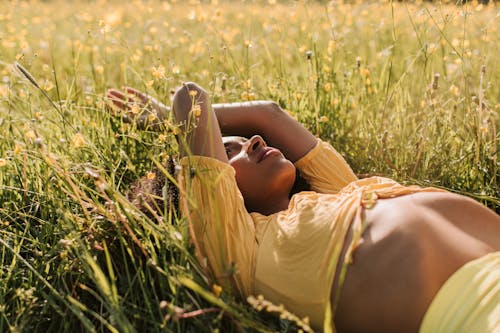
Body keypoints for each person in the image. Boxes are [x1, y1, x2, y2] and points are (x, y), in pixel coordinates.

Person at [107, 82, 500, 333]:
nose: (255, 140)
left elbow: (269, 114)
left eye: (246, 140)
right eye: (230, 149)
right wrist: (169, 121)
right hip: (469, 314)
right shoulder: (240, 247)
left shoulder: (336, 192)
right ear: (206, 191)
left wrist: (183, 122)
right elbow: (191, 100)